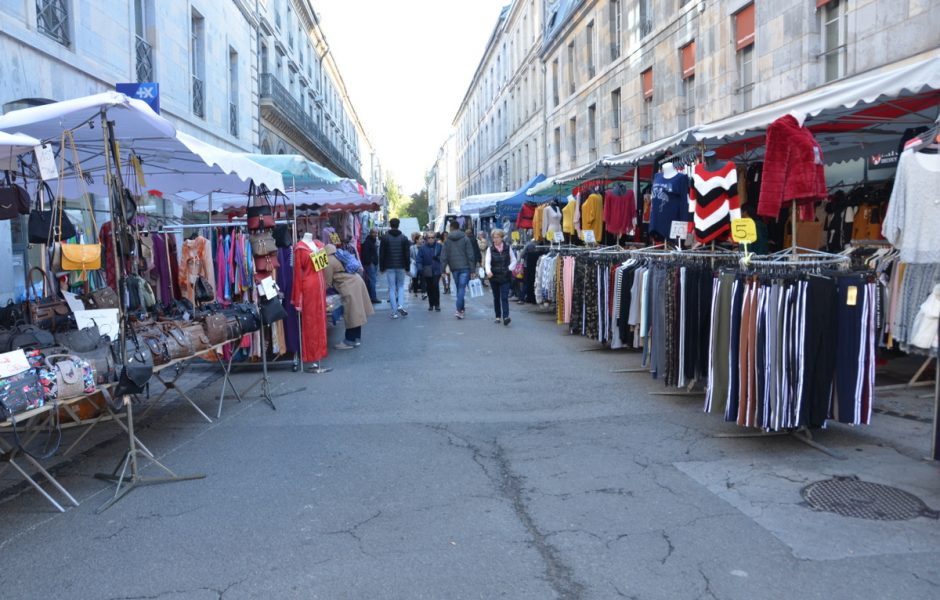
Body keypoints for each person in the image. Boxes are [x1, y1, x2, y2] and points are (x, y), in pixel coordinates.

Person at [322, 244, 374, 349]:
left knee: (351, 313)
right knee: (356, 312)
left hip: (349, 285)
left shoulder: (327, 260)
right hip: (356, 281)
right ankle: (356, 339)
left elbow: (327, 282)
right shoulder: (338, 254)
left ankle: (349, 341)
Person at [440, 220, 476, 319]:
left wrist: (442, 270)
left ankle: (460, 309)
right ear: (459, 227)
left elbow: (444, 256)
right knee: (461, 288)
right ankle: (459, 309)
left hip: (454, 268)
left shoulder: (447, 241)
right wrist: (473, 270)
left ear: (451, 228)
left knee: (459, 288)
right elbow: (470, 255)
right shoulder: (465, 238)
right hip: (465, 267)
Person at [379, 218, 411, 319]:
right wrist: (407, 267)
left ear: (390, 224)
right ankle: (400, 305)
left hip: (389, 266)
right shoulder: (404, 238)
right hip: (401, 265)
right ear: (398, 225)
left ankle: (394, 311)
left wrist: (382, 267)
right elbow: (407, 254)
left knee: (392, 288)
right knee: (401, 286)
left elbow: (382, 254)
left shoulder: (385, 238)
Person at [485, 228, 517, 326]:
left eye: (497, 237)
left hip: (505, 276)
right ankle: (497, 316)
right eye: (494, 238)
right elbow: (487, 262)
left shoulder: (508, 248)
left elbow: (514, 260)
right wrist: (488, 271)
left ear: (502, 238)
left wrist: (509, 268)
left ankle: (506, 317)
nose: (495, 239)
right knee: (496, 297)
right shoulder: (490, 249)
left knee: (504, 297)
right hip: (494, 277)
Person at [416, 232, 443, 311]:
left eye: (432, 237)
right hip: (427, 269)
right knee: (429, 287)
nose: (431, 239)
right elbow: (419, 259)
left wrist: (438, 258)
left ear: (435, 238)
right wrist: (420, 268)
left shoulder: (439, 246)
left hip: (436, 269)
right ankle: (431, 304)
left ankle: (437, 305)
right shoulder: (422, 248)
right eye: (429, 238)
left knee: (435, 286)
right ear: (426, 239)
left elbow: (443, 257)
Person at [360, 228, 380, 303]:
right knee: (372, 280)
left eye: (376, 233)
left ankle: (371, 297)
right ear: (370, 233)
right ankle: (373, 297)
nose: (376, 234)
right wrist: (370, 262)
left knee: (371, 280)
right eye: (374, 233)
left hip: (372, 263)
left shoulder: (371, 241)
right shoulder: (368, 242)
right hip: (370, 263)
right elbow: (366, 254)